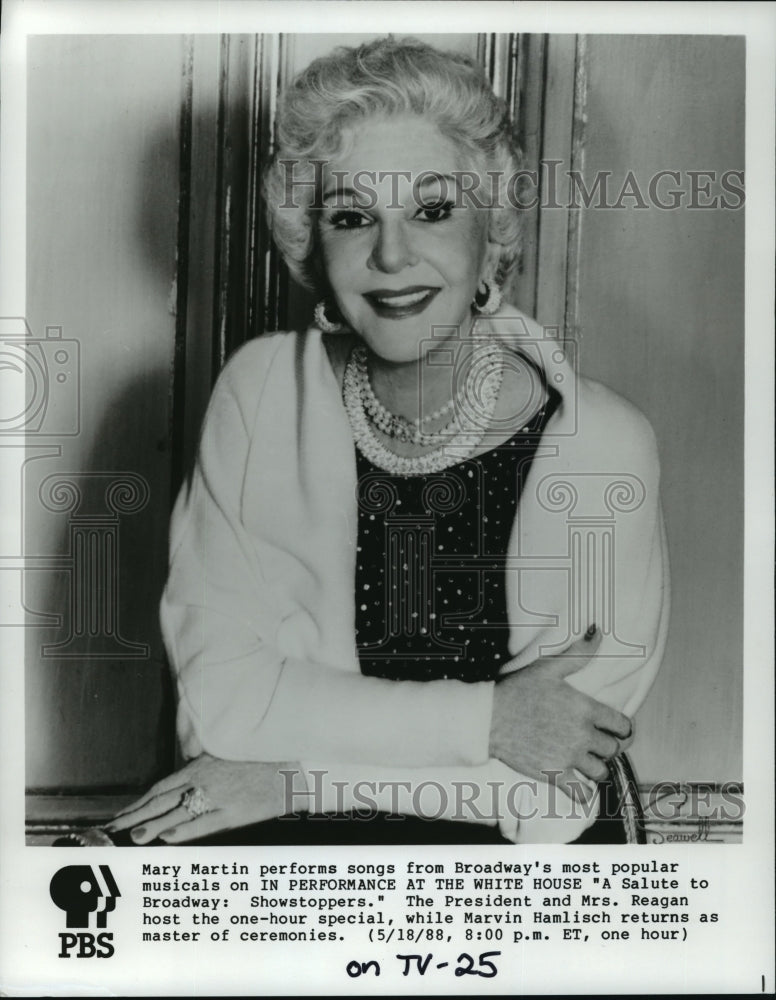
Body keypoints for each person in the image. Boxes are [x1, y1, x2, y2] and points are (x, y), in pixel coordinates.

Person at [109, 36, 669, 847]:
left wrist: (299, 782)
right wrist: (488, 717)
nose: (393, 255)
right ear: (312, 244)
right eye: (352, 217)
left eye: (434, 211)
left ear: (493, 230)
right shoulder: (260, 394)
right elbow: (224, 708)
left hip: (514, 852)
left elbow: (551, 775)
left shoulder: (603, 445)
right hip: (273, 813)